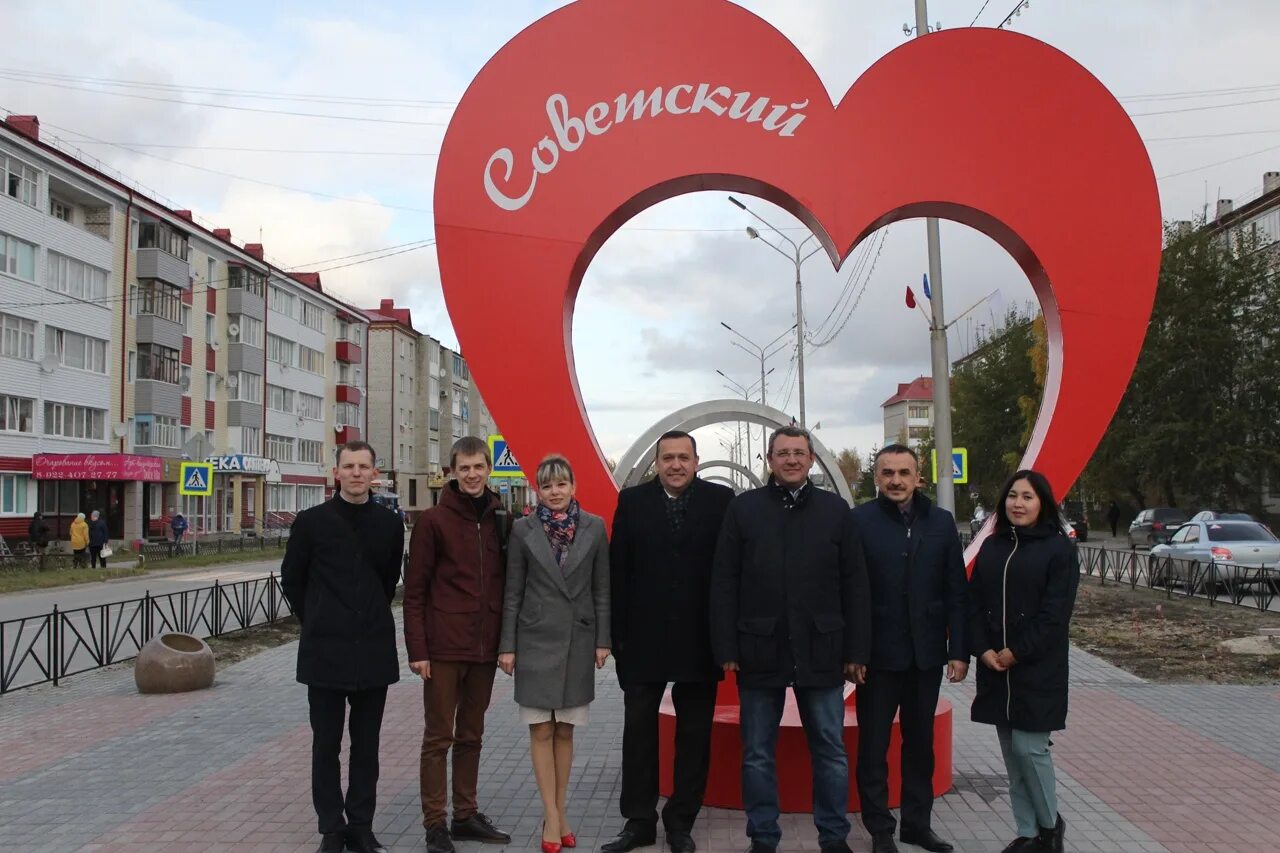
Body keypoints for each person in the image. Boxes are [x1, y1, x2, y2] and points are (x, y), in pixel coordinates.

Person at [710, 426, 871, 853]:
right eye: (783, 453)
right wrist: (725, 647)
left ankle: (834, 838)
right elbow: (724, 581)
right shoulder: (744, 510)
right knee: (758, 753)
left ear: (812, 459)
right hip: (759, 648)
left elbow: (856, 584)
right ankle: (763, 837)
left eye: (800, 452)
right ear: (769, 460)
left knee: (831, 751)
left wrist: (857, 650)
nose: (792, 460)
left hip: (823, 648)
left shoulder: (836, 511)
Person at [602, 431, 734, 853]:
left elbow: (730, 573)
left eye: (683, 457)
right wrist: (617, 640)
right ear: (656, 463)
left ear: (697, 461)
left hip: (700, 642)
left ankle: (681, 821)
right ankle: (639, 821)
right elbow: (617, 573)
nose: (675, 465)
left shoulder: (720, 501)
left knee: (694, 737)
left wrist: (725, 640)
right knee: (638, 735)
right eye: (667, 458)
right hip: (642, 642)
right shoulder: (633, 502)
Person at [281, 441, 406, 853]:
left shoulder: (389, 525)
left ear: (374, 473)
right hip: (325, 652)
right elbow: (293, 581)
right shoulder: (312, 522)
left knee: (366, 746)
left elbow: (387, 582)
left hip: (372, 649)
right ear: (335, 473)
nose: (356, 473)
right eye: (348, 466)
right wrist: (316, 618)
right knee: (326, 745)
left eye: (363, 466)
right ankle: (332, 828)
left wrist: (363, 615)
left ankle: (362, 826)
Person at [850, 444, 968, 853]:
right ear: (876, 478)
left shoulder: (941, 522)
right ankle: (880, 829)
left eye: (904, 472)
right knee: (873, 747)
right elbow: (851, 593)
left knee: (920, 746)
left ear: (920, 477)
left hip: (926, 656)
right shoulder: (859, 522)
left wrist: (959, 650)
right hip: (876, 660)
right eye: (887, 473)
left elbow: (956, 588)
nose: (896, 480)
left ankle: (917, 825)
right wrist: (854, 652)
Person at [404, 436, 513, 853]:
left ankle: (465, 815)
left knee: (472, 734)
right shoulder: (433, 521)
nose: (471, 474)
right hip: (444, 648)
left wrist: (507, 642)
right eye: (463, 468)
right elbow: (415, 591)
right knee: (438, 737)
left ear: (489, 469)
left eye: (478, 467)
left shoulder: (500, 516)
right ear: (452, 472)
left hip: (484, 648)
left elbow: (507, 584)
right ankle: (436, 824)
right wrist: (418, 650)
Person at [498, 454, 610, 853]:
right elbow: (512, 591)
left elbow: (601, 590)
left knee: (565, 729)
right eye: (547, 486)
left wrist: (603, 641)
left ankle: (558, 812)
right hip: (533, 641)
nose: (555, 492)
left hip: (578, 641)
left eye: (561, 484)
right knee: (541, 728)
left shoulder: (595, 528)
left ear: (573, 487)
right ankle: (552, 815)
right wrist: (507, 646)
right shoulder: (523, 530)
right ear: (538, 491)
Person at [968, 469, 1078, 853]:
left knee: (1031, 751)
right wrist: (982, 650)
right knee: (1012, 757)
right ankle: (1027, 832)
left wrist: (1018, 651)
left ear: (1043, 503)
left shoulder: (1059, 549)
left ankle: (1050, 830)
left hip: (1037, 669)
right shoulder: (992, 546)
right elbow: (974, 604)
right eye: (1013, 495)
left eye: (1027, 497)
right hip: (996, 669)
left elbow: (1055, 614)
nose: (1018, 503)